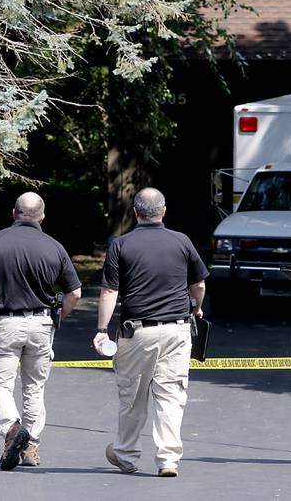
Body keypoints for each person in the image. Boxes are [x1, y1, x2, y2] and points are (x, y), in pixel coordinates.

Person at [93, 187, 208, 478]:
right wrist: (196, 308)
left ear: (135, 213)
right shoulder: (181, 242)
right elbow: (199, 284)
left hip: (138, 332)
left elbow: (110, 290)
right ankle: (168, 459)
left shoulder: (121, 245)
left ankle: (126, 455)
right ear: (164, 211)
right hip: (177, 331)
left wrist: (102, 329)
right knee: (171, 395)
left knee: (132, 394)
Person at [0, 192, 82, 471]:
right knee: (34, 387)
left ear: (13, 213)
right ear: (42, 217)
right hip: (42, 324)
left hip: (5, 321)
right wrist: (58, 317)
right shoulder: (54, 247)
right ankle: (30, 449)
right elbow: (74, 292)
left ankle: (11, 427)